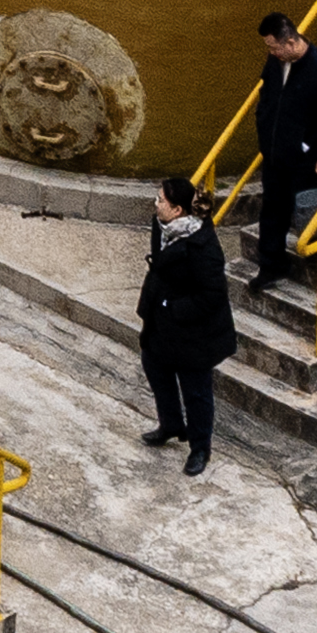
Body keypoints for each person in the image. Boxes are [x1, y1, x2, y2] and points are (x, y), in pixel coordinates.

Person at [136, 175, 234, 477]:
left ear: (177, 210)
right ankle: (170, 424)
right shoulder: (163, 226)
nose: (156, 204)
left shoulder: (203, 247)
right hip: (161, 322)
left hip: (193, 333)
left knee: (196, 392)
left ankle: (200, 447)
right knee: (155, 368)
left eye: (161, 200)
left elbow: (213, 295)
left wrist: (174, 308)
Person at [248, 11, 317, 289]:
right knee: (272, 210)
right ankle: (271, 265)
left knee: (305, 210)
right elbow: (267, 95)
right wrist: (264, 127)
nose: (271, 52)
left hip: (303, 158)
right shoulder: (276, 61)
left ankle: (315, 259)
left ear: (290, 43)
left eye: (274, 47)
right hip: (275, 151)